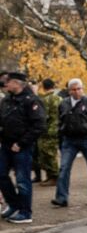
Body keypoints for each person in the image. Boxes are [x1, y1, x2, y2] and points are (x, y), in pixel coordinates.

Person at [0, 70, 46, 224]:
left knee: (22, 180)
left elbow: (39, 125)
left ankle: (25, 212)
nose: (6, 84)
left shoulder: (31, 100)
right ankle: (14, 205)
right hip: (6, 145)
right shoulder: (7, 100)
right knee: (1, 175)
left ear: (17, 83)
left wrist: (21, 143)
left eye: (9, 81)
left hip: (22, 147)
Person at [53, 78, 87, 207]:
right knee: (64, 168)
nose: (76, 92)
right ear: (69, 91)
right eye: (73, 89)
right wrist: (60, 139)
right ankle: (61, 197)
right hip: (69, 140)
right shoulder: (63, 104)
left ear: (82, 89)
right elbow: (60, 122)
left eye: (78, 89)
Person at [35, 78, 60, 184]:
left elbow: (44, 116)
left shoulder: (46, 100)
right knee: (52, 153)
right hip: (57, 129)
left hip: (47, 131)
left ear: (44, 87)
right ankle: (51, 176)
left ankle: (54, 177)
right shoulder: (59, 98)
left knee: (47, 154)